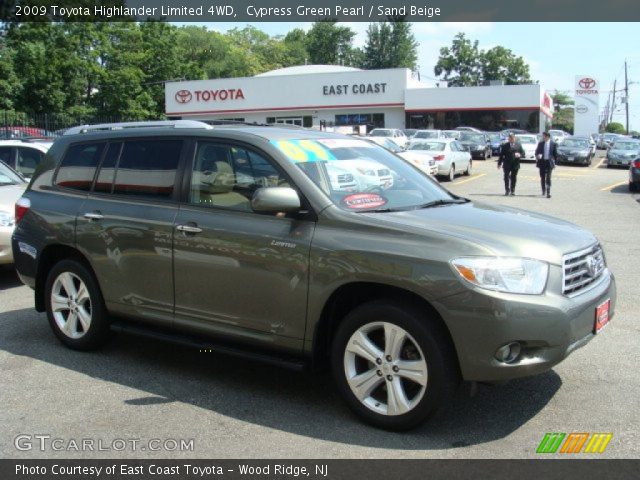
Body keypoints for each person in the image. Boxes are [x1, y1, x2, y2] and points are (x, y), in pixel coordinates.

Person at [535, 131, 557, 198]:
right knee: (542, 177)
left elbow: (555, 154)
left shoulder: (553, 144)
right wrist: (538, 155)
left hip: (549, 162)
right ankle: (543, 190)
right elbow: (536, 152)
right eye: (543, 136)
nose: (543, 137)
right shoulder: (541, 143)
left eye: (544, 136)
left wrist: (555, 162)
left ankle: (548, 192)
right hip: (542, 162)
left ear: (547, 137)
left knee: (548, 177)